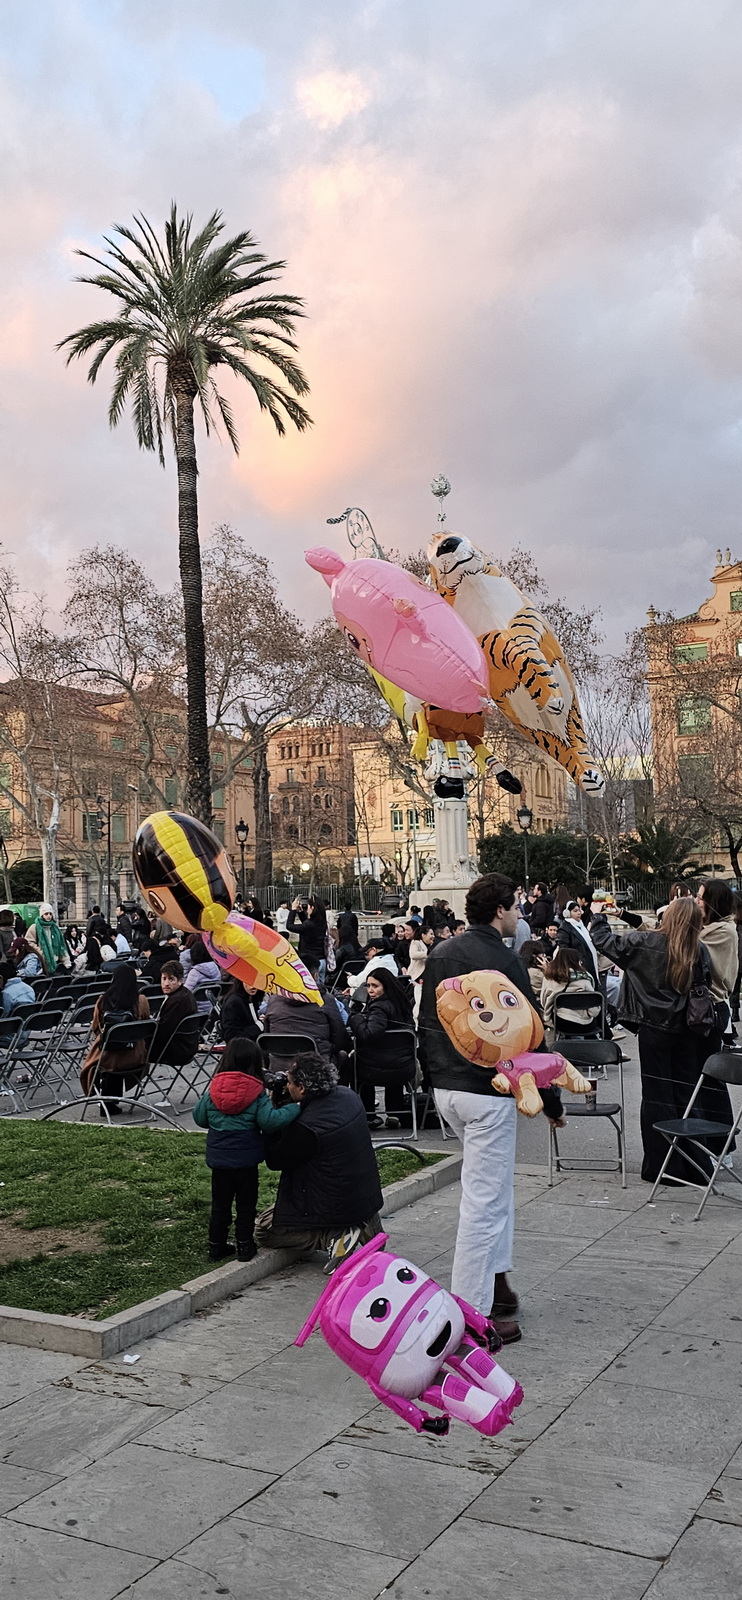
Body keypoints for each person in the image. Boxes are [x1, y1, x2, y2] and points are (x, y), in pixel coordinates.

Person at [420, 872, 565, 1339]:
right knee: (484, 1202)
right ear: (500, 910)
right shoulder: (504, 961)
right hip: (488, 1091)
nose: (520, 915)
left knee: (494, 1191)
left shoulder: (442, 953)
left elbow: (427, 1021)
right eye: (516, 907)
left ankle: (497, 1286)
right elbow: (528, 1037)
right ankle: (471, 1316)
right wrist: (550, 1099)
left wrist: (434, 1077)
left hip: (449, 1087)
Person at [591, 898, 734, 1183]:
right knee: (686, 1095)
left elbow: (604, 941)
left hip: (653, 1029)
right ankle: (694, 1163)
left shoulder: (645, 943)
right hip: (687, 1030)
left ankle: (662, 1165)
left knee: (656, 1097)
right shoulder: (698, 949)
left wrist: (597, 916)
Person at [254, 1054, 384, 1259]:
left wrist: (273, 1119)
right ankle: (365, 1223)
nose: (286, 1086)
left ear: (302, 1088)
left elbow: (275, 1159)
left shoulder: (308, 1127)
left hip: (331, 1202)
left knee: (264, 1230)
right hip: (364, 1195)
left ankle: (333, 1237)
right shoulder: (347, 1095)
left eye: (289, 1082)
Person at [192, 1037, 301, 1261]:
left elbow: (200, 1118)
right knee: (246, 1204)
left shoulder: (215, 1087)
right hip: (246, 1160)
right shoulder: (255, 1090)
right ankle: (245, 1245)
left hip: (219, 1160)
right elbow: (269, 1122)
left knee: (220, 1204)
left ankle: (216, 1246)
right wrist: (294, 1108)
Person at [349, 967, 416, 1129]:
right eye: (368, 986)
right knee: (391, 1060)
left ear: (386, 986)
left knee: (357, 1062)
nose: (370, 990)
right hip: (403, 1068)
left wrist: (356, 1018)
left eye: (375, 986)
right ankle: (394, 1113)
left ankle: (369, 1114)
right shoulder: (401, 1005)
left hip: (373, 1070)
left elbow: (370, 1034)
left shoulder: (379, 1007)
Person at [80, 963, 151, 1112]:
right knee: (116, 1057)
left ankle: (107, 1101)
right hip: (134, 1057)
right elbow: (145, 1026)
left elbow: (95, 1027)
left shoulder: (103, 1000)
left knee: (107, 1058)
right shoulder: (141, 1001)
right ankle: (110, 1101)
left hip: (106, 1056)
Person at [263, 963, 350, 1064]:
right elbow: (339, 1036)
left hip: (278, 1064)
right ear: (315, 976)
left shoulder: (274, 1000)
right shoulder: (325, 1000)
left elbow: (267, 1033)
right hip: (318, 1065)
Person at [697, 879, 739, 1040]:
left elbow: (684, 944)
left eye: (700, 898)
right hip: (700, 1005)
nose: (696, 902)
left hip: (710, 1007)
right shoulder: (704, 926)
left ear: (713, 902)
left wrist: (677, 914)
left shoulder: (724, 931)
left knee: (705, 1055)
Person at [539, 948, 602, 1038]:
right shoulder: (585, 980)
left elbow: (543, 1001)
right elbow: (593, 1011)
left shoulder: (549, 978)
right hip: (584, 1025)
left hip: (560, 1022)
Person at [151, 960, 199, 1065]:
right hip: (188, 1047)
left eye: (171, 979)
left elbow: (163, 1032)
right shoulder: (185, 994)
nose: (166, 984)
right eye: (164, 978)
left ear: (180, 981)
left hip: (174, 1052)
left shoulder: (176, 1001)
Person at [556, 900, 600, 988]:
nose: (579, 913)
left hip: (589, 962)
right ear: (568, 913)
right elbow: (563, 948)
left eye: (579, 910)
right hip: (577, 966)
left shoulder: (581, 926)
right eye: (575, 911)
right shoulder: (564, 928)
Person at [287, 897, 328, 978]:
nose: (307, 909)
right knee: (321, 985)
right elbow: (306, 924)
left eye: (308, 906)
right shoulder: (322, 922)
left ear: (312, 908)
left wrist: (293, 910)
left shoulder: (309, 925)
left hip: (311, 962)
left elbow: (290, 926)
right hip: (322, 960)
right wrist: (300, 912)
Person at [26, 903, 71, 975]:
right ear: (42, 915)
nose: (49, 916)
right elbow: (29, 942)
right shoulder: (34, 927)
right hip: (41, 962)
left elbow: (61, 946)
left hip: (55, 962)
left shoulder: (55, 928)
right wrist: (42, 953)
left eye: (50, 914)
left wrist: (66, 960)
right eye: (46, 914)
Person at [183, 937, 222, 1013]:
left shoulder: (195, 972)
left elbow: (186, 992)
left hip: (195, 1008)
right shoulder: (216, 968)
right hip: (210, 1007)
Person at [221, 978, 264, 1043]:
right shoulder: (233, 1003)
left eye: (255, 982)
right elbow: (232, 1036)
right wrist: (259, 1026)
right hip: (243, 1046)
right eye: (248, 982)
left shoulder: (251, 998)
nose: (252, 986)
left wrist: (259, 1020)